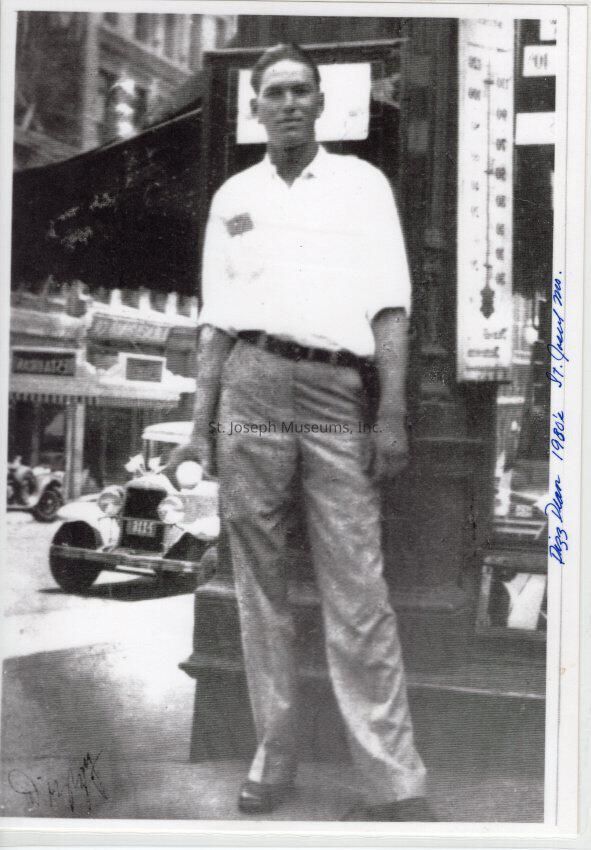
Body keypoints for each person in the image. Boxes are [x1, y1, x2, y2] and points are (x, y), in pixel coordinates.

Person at [170, 42, 434, 822]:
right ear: (254, 106)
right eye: (274, 92)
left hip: (334, 388)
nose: (287, 103)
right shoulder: (234, 197)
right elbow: (215, 321)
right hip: (249, 384)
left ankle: (394, 780)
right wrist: (198, 425)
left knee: (358, 586)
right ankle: (272, 754)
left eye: (300, 91)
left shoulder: (360, 185)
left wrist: (390, 413)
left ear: (321, 102)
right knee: (258, 586)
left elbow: (390, 306)